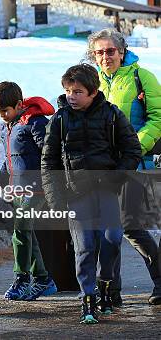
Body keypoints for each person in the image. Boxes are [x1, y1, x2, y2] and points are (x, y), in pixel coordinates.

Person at [41, 64, 141, 324]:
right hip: (75, 193)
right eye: (68, 91)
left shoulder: (112, 115)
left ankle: (105, 283)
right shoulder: (60, 119)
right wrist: (55, 200)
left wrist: (116, 177)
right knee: (84, 246)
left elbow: (132, 149)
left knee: (112, 238)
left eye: (78, 91)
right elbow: (48, 161)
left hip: (107, 191)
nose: (71, 96)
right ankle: (87, 296)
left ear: (93, 92)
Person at [86, 28, 161, 306]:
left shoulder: (143, 77)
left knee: (129, 225)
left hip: (135, 164)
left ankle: (159, 280)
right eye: (99, 52)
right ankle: (112, 290)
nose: (105, 57)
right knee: (109, 226)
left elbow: (157, 118)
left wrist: (134, 147)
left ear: (122, 51)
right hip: (105, 167)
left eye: (110, 51)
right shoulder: (94, 83)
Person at [0, 82, 57, 301]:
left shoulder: (34, 122)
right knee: (26, 232)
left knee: (20, 230)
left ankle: (22, 279)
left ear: (19, 104)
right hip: (19, 188)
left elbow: (49, 153)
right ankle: (43, 279)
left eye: (5, 111)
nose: (2, 116)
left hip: (36, 187)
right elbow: (10, 162)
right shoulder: (12, 126)